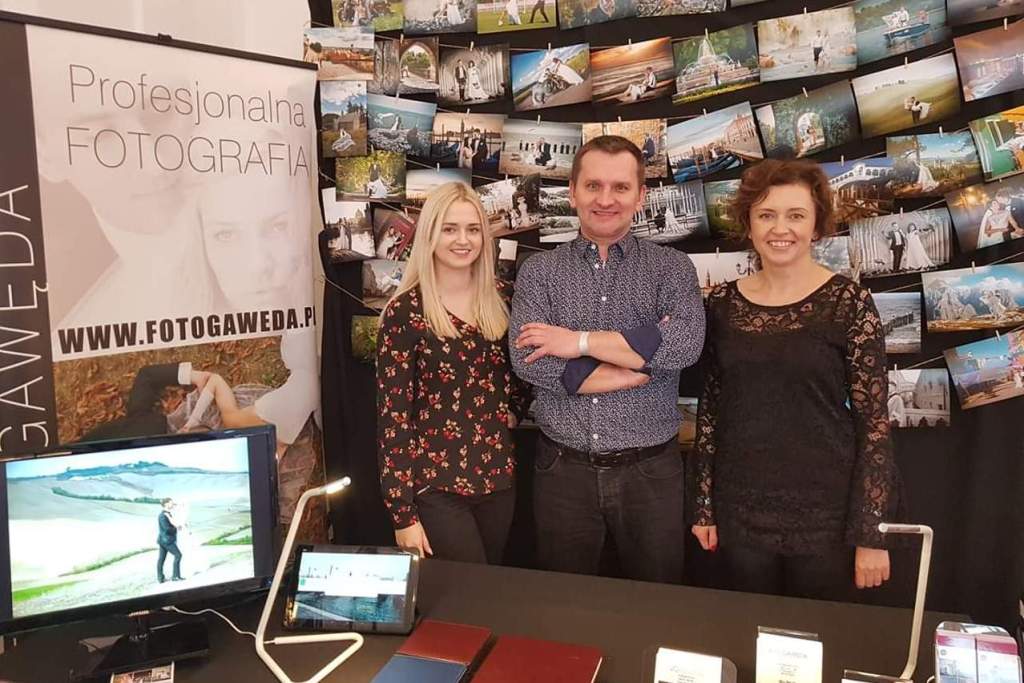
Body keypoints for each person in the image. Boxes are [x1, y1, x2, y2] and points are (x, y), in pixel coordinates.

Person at [691, 158, 902, 601]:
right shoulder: (722, 305)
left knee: (819, 636)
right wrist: (704, 505)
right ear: (749, 224)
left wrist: (871, 532)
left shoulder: (849, 303)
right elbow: (711, 411)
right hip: (740, 510)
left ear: (817, 225)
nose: (780, 228)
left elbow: (874, 426)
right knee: (745, 630)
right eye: (766, 215)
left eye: (796, 215)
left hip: (825, 516)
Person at [510, 136, 705, 583]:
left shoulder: (672, 268)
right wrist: (634, 363)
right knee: (564, 602)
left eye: (620, 187)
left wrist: (576, 342)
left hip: (651, 474)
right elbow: (530, 361)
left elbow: (683, 345)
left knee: (657, 601)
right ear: (573, 192)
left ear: (640, 196)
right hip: (563, 472)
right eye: (593, 185)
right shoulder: (539, 272)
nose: (605, 199)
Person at [377, 182, 528, 563]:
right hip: (434, 487)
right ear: (430, 235)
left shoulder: (505, 298)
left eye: (473, 229)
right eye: (450, 229)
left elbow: (530, 371)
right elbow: (393, 419)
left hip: (497, 480)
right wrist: (402, 513)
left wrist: (514, 408)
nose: (463, 240)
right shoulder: (405, 312)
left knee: (491, 586)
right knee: (465, 589)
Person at [157, 498, 184, 583]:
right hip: (167, 540)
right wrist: (177, 528)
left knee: (161, 559)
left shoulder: (167, 514)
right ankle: (175, 576)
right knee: (178, 555)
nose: (172, 504)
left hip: (163, 540)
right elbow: (167, 528)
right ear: (166, 504)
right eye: (171, 503)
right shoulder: (162, 515)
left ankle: (161, 578)